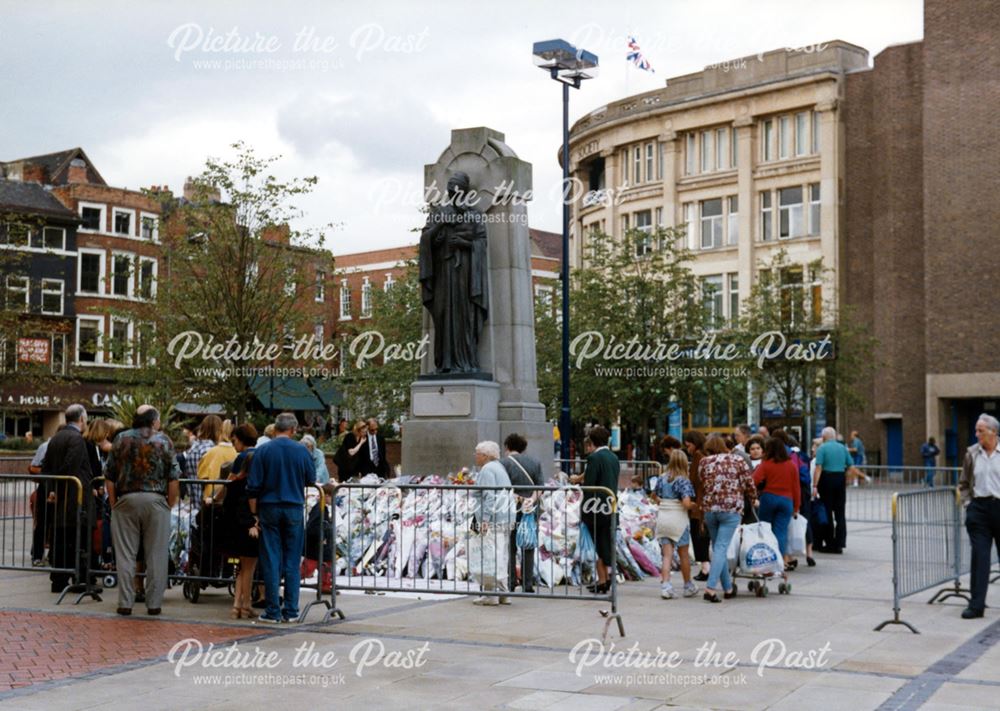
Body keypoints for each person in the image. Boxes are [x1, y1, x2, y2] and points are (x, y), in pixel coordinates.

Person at [105, 406, 180, 615]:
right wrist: (169, 504)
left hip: (126, 500)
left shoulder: (120, 439)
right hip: (156, 500)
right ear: (153, 421)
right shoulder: (163, 441)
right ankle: (154, 603)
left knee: (126, 554)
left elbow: (109, 475)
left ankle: (125, 602)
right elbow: (174, 476)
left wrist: (114, 503)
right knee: (156, 554)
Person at [247, 412, 316, 624]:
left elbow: (253, 487)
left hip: (269, 507)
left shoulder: (263, 450)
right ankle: (291, 610)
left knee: (271, 559)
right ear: (294, 430)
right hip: (294, 506)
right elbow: (311, 479)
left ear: (275, 428)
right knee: (292, 560)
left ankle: (273, 610)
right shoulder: (302, 451)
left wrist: (254, 514)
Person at [419, 171, 489, 374]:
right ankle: (444, 363)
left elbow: (482, 243)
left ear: (464, 191)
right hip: (442, 272)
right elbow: (425, 240)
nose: (453, 193)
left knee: (464, 316)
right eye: (451, 190)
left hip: (465, 274)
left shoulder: (474, 214)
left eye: (457, 189)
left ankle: (466, 362)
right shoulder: (438, 212)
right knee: (441, 316)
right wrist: (441, 224)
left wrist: (464, 243)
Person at [40, 404, 94, 593]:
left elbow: (45, 467)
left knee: (61, 540)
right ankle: (77, 579)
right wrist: (58, 489)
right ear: (82, 419)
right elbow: (71, 467)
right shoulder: (76, 439)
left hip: (61, 499)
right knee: (75, 539)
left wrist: (52, 489)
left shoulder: (56, 437)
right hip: (74, 498)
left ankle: (59, 579)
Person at [699, 434, 757, 603]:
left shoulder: (704, 462)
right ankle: (710, 588)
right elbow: (749, 483)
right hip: (731, 508)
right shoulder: (737, 460)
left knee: (718, 548)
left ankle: (728, 588)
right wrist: (753, 497)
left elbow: (703, 482)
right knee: (721, 548)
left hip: (710, 508)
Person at [216, 423, 260, 620]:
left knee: (242, 568)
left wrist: (213, 499)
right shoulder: (256, 462)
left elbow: (228, 488)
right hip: (249, 525)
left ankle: (239, 605)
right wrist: (255, 521)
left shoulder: (236, 477)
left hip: (235, 524)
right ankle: (244, 604)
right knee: (249, 567)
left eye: (234, 440)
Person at [958, 414, 1000, 619]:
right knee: (980, 557)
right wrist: (968, 504)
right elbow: (964, 482)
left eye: (980, 431)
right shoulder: (971, 454)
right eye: (976, 430)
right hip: (979, 510)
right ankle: (976, 605)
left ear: (993, 432)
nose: (977, 435)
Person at [569, 426, 619, 595]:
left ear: (593, 441)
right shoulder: (613, 457)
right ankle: (605, 579)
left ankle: (603, 580)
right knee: (605, 542)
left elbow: (589, 485)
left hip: (595, 507)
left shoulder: (594, 458)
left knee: (598, 544)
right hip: (610, 505)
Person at [471, 440, 515, 605]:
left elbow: (489, 495)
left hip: (494, 519)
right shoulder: (499, 467)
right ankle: (503, 593)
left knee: (490, 555)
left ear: (485, 455)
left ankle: (491, 594)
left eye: (477, 453)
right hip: (506, 517)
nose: (476, 456)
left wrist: (484, 520)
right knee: (501, 555)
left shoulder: (487, 469)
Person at [500, 433, 544, 593]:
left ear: (507, 446)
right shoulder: (535, 462)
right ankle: (528, 583)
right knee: (528, 543)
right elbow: (540, 487)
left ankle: (511, 581)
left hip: (509, 508)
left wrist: (517, 497)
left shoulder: (503, 463)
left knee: (510, 545)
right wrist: (531, 499)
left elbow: (502, 488)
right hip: (530, 509)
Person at [653, 449, 698, 600]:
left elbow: (654, 496)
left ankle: (666, 586)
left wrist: (664, 502)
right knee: (683, 554)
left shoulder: (662, 478)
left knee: (667, 555)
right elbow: (686, 503)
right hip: (679, 520)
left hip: (664, 519)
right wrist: (694, 505)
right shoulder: (684, 480)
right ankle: (688, 585)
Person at [754, 437, 801, 570]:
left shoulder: (766, 464)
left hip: (768, 498)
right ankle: (780, 562)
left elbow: (754, 480)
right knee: (781, 532)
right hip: (786, 500)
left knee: (765, 530)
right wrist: (796, 506)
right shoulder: (791, 465)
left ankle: (766, 560)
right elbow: (796, 488)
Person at [813, 426, 855, 554]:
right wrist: (847, 479)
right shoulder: (843, 448)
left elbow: (818, 468)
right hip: (840, 478)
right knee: (840, 513)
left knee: (827, 512)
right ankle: (840, 543)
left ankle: (830, 543)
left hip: (826, 479)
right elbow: (851, 466)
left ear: (824, 437)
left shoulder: (822, 448)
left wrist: (815, 485)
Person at [683, 430, 711, 581]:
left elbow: (693, 480)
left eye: (689, 444)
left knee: (698, 535)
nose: (687, 448)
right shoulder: (705, 455)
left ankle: (705, 568)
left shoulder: (698, 457)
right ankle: (706, 567)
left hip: (698, 503)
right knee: (704, 536)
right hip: (705, 501)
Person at [29, 437, 52, 567]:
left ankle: (45, 554)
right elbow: (33, 467)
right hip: (46, 487)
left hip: (52, 486)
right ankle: (37, 554)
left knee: (48, 522)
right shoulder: (45, 446)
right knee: (43, 521)